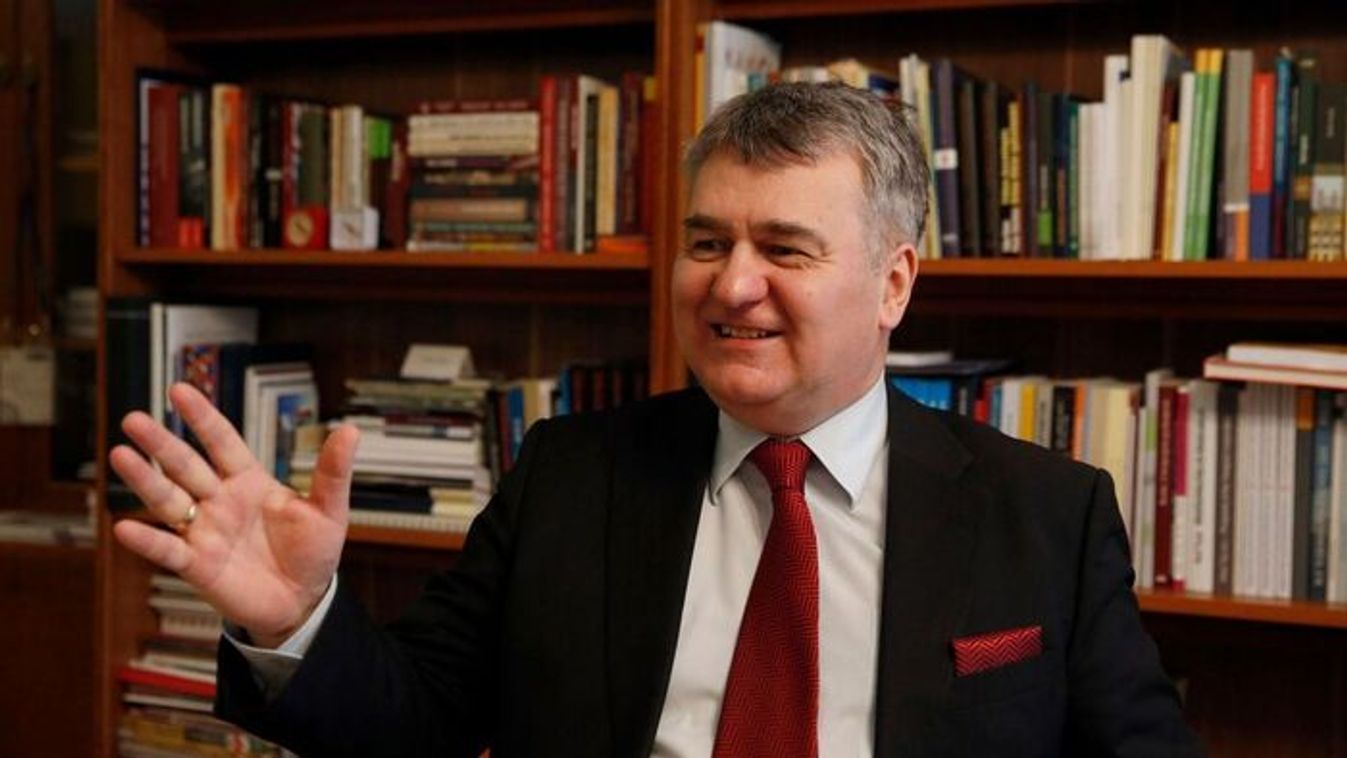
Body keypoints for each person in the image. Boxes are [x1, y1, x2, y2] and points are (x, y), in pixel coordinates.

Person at [110, 82, 1202, 757]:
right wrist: (295, 620)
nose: (731, 285)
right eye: (706, 242)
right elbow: (416, 722)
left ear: (893, 283)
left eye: (784, 249)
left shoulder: (1046, 515)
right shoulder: (570, 473)